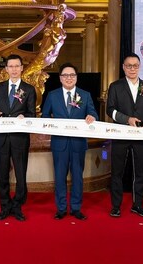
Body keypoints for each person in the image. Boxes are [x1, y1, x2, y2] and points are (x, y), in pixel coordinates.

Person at [42, 63, 97, 220]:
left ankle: (76, 208)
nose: (69, 78)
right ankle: (61, 208)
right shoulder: (52, 95)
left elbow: (93, 113)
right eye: (65, 75)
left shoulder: (85, 95)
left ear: (76, 77)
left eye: (72, 75)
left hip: (78, 143)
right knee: (60, 177)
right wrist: (52, 124)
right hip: (59, 144)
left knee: (77, 177)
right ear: (60, 78)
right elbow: (45, 116)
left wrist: (92, 116)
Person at [0, 54, 36, 221]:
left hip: (20, 138)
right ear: (6, 69)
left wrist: (25, 117)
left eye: (17, 66)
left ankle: (17, 205)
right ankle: (5, 206)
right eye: (11, 66)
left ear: (22, 68)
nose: (14, 69)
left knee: (20, 175)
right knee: (2, 174)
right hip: (2, 137)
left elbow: (32, 114)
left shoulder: (29, 89)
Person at [107, 53, 143, 218]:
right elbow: (110, 110)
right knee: (117, 173)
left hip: (140, 137)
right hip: (120, 135)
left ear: (139, 67)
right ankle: (116, 206)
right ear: (123, 67)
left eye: (135, 65)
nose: (132, 68)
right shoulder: (115, 86)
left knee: (140, 173)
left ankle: (138, 205)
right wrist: (127, 119)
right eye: (129, 65)